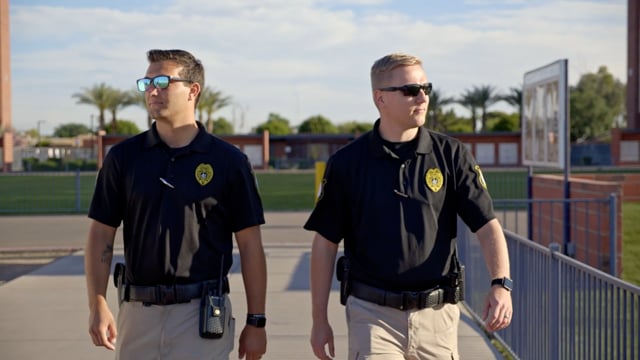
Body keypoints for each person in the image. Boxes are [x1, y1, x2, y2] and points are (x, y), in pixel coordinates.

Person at [305, 52, 513, 360]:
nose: (422, 97)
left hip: (437, 318)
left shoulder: (451, 155)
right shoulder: (347, 164)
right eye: (410, 90)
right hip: (372, 316)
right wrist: (319, 320)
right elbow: (324, 244)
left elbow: (486, 225)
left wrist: (501, 284)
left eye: (426, 88)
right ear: (380, 99)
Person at [84, 49, 267, 360]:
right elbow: (101, 234)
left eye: (163, 81)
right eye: (147, 83)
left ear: (193, 90)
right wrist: (97, 303)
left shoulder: (229, 161)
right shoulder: (124, 158)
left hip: (202, 316)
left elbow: (250, 246)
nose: (152, 90)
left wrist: (256, 321)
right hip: (137, 314)